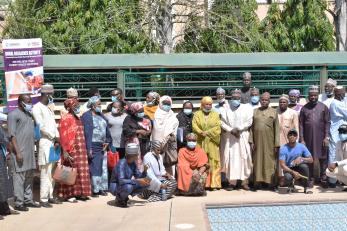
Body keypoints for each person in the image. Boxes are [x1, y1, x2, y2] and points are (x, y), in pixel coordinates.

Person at [8, 94, 40, 211]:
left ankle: (28, 200)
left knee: (29, 177)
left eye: (30, 102)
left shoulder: (29, 114)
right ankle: (19, 203)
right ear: (21, 102)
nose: (30, 104)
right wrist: (17, 152)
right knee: (19, 178)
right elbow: (12, 135)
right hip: (19, 152)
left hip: (30, 152)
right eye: (28, 102)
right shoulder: (13, 115)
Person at [32, 84, 61, 208]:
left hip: (54, 143)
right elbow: (41, 126)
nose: (51, 97)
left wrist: (58, 138)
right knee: (45, 172)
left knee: (53, 171)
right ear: (46, 94)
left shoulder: (48, 108)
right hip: (45, 142)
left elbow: (54, 125)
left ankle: (50, 196)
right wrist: (53, 137)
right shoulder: (37, 108)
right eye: (51, 94)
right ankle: (43, 199)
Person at [59, 98, 91, 202]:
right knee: (70, 171)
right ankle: (69, 194)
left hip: (81, 149)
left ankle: (80, 193)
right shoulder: (65, 118)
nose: (78, 107)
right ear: (69, 107)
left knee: (81, 171)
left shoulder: (78, 118)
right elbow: (63, 136)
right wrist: (65, 151)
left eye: (78, 105)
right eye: (75, 106)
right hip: (71, 149)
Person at [220, 89, 253, 191]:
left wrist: (238, 129)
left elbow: (249, 121)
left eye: (238, 98)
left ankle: (244, 182)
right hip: (230, 138)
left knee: (245, 158)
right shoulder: (225, 108)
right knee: (231, 159)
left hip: (242, 136)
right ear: (231, 98)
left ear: (240, 98)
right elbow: (221, 122)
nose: (236, 99)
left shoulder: (247, 108)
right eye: (234, 98)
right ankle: (232, 182)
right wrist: (231, 130)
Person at [81, 96, 112, 197]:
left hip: (102, 146)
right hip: (92, 145)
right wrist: (88, 148)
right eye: (98, 104)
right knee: (94, 168)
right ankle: (95, 189)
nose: (100, 106)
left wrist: (107, 141)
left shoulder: (102, 116)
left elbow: (107, 131)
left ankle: (102, 188)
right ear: (93, 106)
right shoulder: (86, 116)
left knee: (103, 168)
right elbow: (86, 133)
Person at [299, 85, 330, 186]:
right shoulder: (304, 109)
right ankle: (311, 178)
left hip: (321, 137)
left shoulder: (323, 107)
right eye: (311, 95)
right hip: (308, 138)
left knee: (323, 158)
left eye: (315, 95)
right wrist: (302, 139)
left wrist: (326, 137)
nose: (313, 97)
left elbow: (327, 123)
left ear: (318, 96)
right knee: (309, 157)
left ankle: (323, 178)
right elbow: (301, 125)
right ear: (308, 96)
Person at [249, 92, 280, 190]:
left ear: (269, 101)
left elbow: (277, 129)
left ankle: (270, 183)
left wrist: (276, 144)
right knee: (257, 162)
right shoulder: (255, 111)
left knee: (269, 162)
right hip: (257, 142)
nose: (264, 101)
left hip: (269, 142)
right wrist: (251, 141)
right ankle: (257, 183)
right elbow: (251, 128)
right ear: (260, 100)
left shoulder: (274, 112)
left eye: (266, 100)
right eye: (262, 99)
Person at [193, 96, 221, 190]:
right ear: (202, 104)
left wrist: (208, 133)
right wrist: (201, 132)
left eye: (210, 104)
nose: (208, 106)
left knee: (213, 162)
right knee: (201, 162)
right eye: (207, 104)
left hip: (212, 141)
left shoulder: (215, 114)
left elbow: (217, 127)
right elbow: (194, 125)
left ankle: (214, 184)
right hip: (200, 141)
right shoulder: (197, 114)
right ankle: (203, 184)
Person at [110, 143, 150, 208]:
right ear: (133, 155)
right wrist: (138, 180)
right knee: (129, 187)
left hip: (126, 184)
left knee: (147, 182)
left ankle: (124, 196)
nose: (138, 156)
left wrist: (144, 171)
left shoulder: (133, 163)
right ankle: (119, 199)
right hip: (116, 186)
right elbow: (121, 181)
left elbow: (138, 176)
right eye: (137, 154)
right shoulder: (122, 163)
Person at [279, 129, 313, 194]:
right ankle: (290, 186)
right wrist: (293, 172)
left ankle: (306, 187)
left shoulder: (301, 146)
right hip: (288, 169)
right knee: (288, 177)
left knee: (304, 167)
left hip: (299, 168)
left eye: (294, 135)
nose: (292, 136)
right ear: (287, 137)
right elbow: (282, 165)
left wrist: (302, 158)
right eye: (290, 134)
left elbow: (311, 160)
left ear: (297, 137)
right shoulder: (283, 149)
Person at [152, 96, 179, 175]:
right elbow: (156, 130)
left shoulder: (172, 114)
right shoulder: (157, 114)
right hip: (158, 143)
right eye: (165, 103)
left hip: (170, 143)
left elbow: (174, 127)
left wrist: (169, 133)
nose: (167, 105)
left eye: (168, 104)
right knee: (158, 161)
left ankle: (170, 182)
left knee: (170, 162)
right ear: (160, 103)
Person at [122, 102, 152, 168]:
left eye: (142, 110)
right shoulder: (129, 119)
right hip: (133, 144)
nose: (142, 112)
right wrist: (138, 131)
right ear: (134, 111)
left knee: (144, 160)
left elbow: (150, 129)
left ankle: (143, 175)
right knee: (135, 161)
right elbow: (126, 131)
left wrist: (149, 131)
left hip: (145, 144)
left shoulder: (146, 118)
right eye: (140, 111)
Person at [0, 126, 19, 219]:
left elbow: (4, 136)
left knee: (2, 182)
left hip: (1, 154)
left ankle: (4, 208)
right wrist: (8, 143)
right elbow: (3, 137)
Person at [328, 86, 347, 179]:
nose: (345, 95)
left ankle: (339, 179)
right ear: (338, 94)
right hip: (336, 132)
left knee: (342, 154)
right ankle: (332, 180)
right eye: (343, 93)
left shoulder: (340, 101)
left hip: (341, 131)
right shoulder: (336, 103)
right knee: (334, 154)